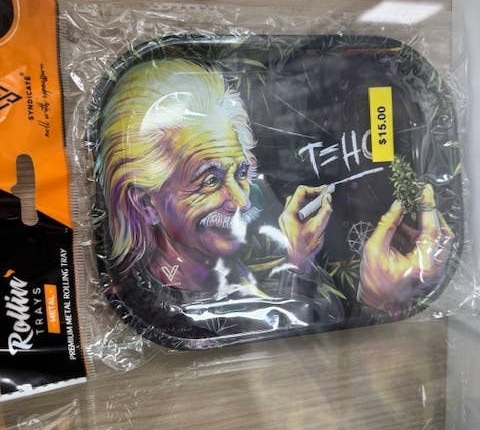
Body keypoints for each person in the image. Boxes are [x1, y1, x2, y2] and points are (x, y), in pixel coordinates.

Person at [95, 58, 453, 327]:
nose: (241, 200)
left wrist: (297, 261)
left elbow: (293, 319)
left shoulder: (238, 269)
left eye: (241, 172)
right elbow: (306, 370)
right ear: (146, 203)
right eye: (209, 181)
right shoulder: (164, 308)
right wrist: (378, 300)